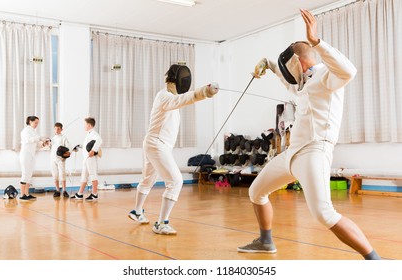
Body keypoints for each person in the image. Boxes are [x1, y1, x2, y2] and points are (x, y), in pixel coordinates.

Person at [237, 9, 380, 260]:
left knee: (324, 213)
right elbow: (288, 83)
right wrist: (269, 65)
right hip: (292, 154)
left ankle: (374, 260)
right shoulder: (305, 83)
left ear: (299, 62)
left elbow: (349, 71)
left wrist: (317, 42)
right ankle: (265, 241)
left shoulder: (327, 75)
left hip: (315, 151)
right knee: (256, 192)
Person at [128, 64, 219, 235]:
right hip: (157, 144)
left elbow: (179, 100)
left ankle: (137, 211)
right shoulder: (165, 97)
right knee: (176, 181)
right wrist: (203, 92)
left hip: (153, 143)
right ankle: (162, 223)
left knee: (148, 180)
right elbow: (181, 100)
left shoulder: (165, 96)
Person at [70, 117, 103, 201]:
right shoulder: (89, 134)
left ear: (89, 125)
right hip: (86, 158)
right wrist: (79, 146)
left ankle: (95, 194)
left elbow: (99, 140)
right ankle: (79, 194)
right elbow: (86, 145)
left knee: (93, 175)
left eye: (85, 124)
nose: (84, 126)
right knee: (84, 176)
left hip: (90, 158)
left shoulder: (94, 134)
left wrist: (93, 150)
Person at [19, 116, 49, 201]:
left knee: (29, 175)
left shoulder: (34, 132)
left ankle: (27, 194)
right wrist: (40, 138)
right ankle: (22, 195)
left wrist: (43, 144)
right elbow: (29, 140)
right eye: (35, 123)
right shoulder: (25, 131)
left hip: (31, 155)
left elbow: (36, 145)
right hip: (25, 155)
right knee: (25, 174)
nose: (36, 125)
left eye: (37, 123)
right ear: (30, 121)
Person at [49, 122, 71, 198]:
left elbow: (69, 148)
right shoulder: (52, 139)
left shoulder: (63, 138)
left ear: (61, 129)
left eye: (58, 129)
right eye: (55, 128)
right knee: (55, 175)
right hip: (53, 159)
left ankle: (64, 190)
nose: (57, 130)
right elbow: (48, 147)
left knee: (62, 174)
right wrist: (46, 143)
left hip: (61, 159)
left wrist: (66, 154)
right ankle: (57, 190)